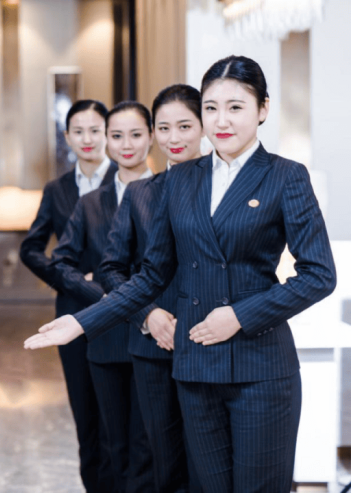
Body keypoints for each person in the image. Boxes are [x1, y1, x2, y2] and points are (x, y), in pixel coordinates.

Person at [24, 55, 336, 492]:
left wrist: (240, 315)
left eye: (235, 107)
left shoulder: (286, 176)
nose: (221, 120)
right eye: (211, 108)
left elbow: (319, 275)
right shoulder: (181, 180)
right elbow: (151, 275)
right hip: (195, 368)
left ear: (263, 109)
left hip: (260, 367)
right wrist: (82, 322)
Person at [100, 85, 204, 493]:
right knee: (164, 463)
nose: (173, 138)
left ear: (204, 126)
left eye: (184, 126)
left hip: (211, 343)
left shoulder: (226, 188)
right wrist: (148, 315)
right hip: (153, 349)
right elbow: (112, 269)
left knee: (208, 464)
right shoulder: (141, 193)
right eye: (164, 128)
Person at [51, 100, 155, 493]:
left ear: (152, 137)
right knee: (113, 446)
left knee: (151, 446)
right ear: (107, 142)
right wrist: (105, 295)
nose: (126, 144)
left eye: (136, 134)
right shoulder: (92, 202)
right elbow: (61, 262)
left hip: (159, 338)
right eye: (117, 136)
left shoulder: (172, 191)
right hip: (106, 340)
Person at [20, 100, 118, 492]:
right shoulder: (57, 189)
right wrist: (67, 279)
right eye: (78, 131)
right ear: (67, 137)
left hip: (119, 309)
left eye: (95, 130)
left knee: (118, 416)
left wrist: (106, 281)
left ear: (107, 133)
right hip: (72, 310)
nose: (87, 138)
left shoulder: (128, 180)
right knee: (85, 413)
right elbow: (31, 248)